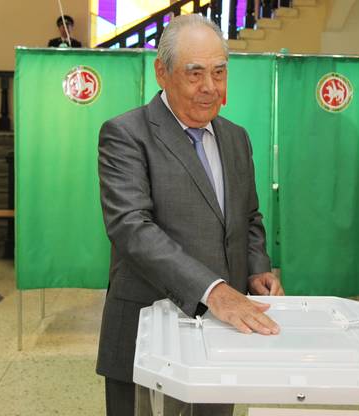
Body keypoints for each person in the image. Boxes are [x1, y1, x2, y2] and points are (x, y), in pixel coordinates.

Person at [96, 13, 284, 416]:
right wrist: (213, 290)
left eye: (219, 72)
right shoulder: (126, 134)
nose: (210, 87)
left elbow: (248, 216)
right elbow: (132, 228)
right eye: (195, 73)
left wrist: (257, 268)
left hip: (224, 330)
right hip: (148, 330)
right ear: (162, 73)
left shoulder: (235, 137)